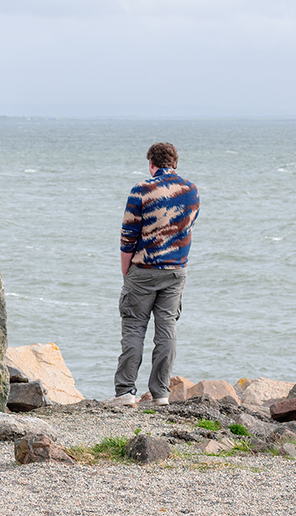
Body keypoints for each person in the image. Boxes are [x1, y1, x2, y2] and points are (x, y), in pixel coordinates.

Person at [107, 142, 200, 407]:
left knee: (135, 327)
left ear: (151, 164)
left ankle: (125, 392)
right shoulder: (191, 191)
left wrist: (126, 269)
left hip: (144, 269)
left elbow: (128, 234)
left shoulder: (141, 190)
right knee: (167, 328)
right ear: (175, 163)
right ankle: (161, 394)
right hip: (175, 270)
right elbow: (188, 226)